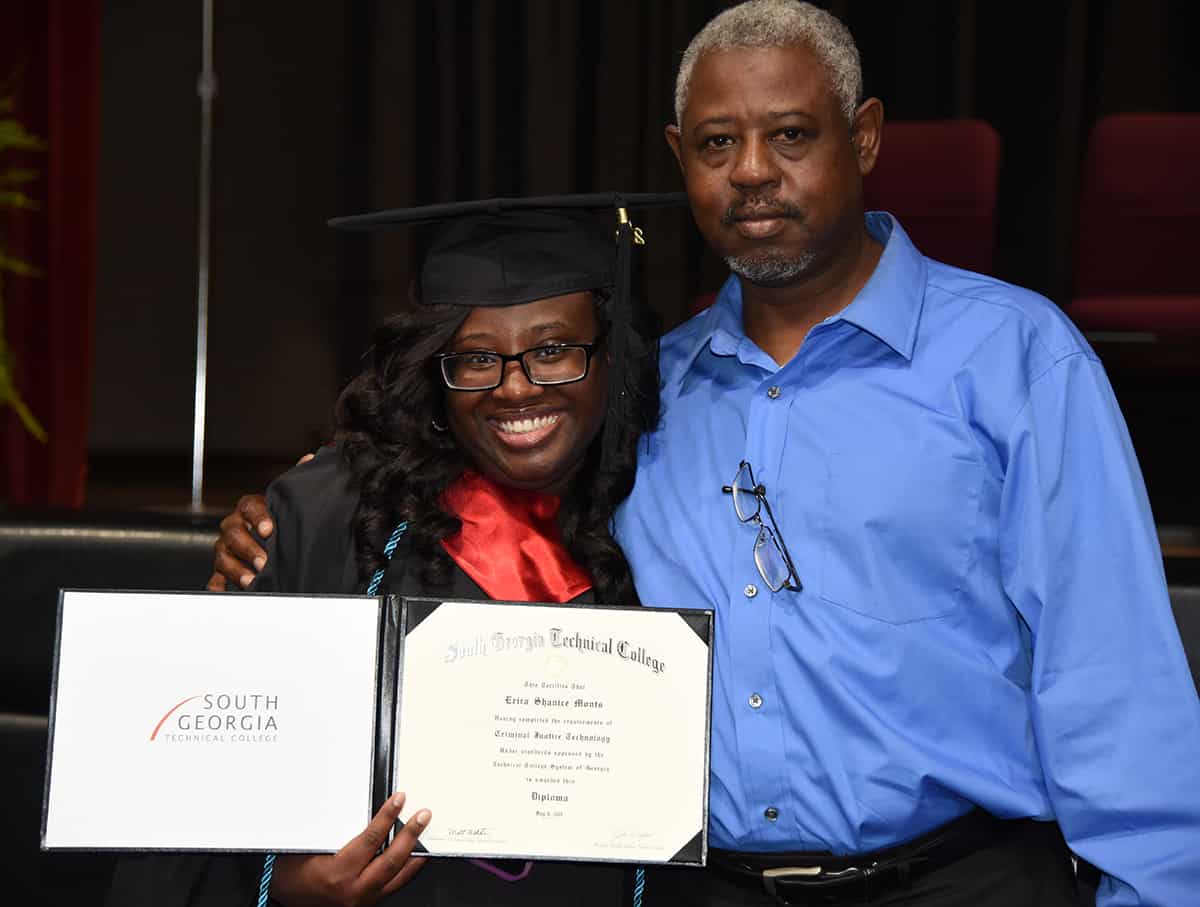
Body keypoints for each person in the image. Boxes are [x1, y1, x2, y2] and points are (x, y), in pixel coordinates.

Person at [211, 2, 1200, 905]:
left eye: (793, 135)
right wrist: (295, 516)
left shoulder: (1013, 358)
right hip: (707, 888)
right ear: (682, 156)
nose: (754, 170)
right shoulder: (644, 396)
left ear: (864, 137)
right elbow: (478, 463)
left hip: (958, 878)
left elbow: (1114, 682)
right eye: (720, 142)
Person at [109, 194, 680, 907]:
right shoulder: (333, 515)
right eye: (475, 358)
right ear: (431, 367)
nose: (514, 387)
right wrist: (287, 884)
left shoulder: (669, 515)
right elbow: (185, 801)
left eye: (554, 349)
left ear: (610, 351)